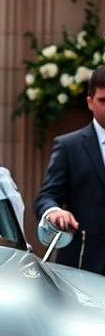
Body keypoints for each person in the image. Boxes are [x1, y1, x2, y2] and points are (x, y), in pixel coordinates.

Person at [35, 65, 105, 272]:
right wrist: (55, 212)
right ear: (90, 102)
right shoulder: (69, 146)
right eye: (103, 101)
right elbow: (47, 196)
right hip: (82, 265)